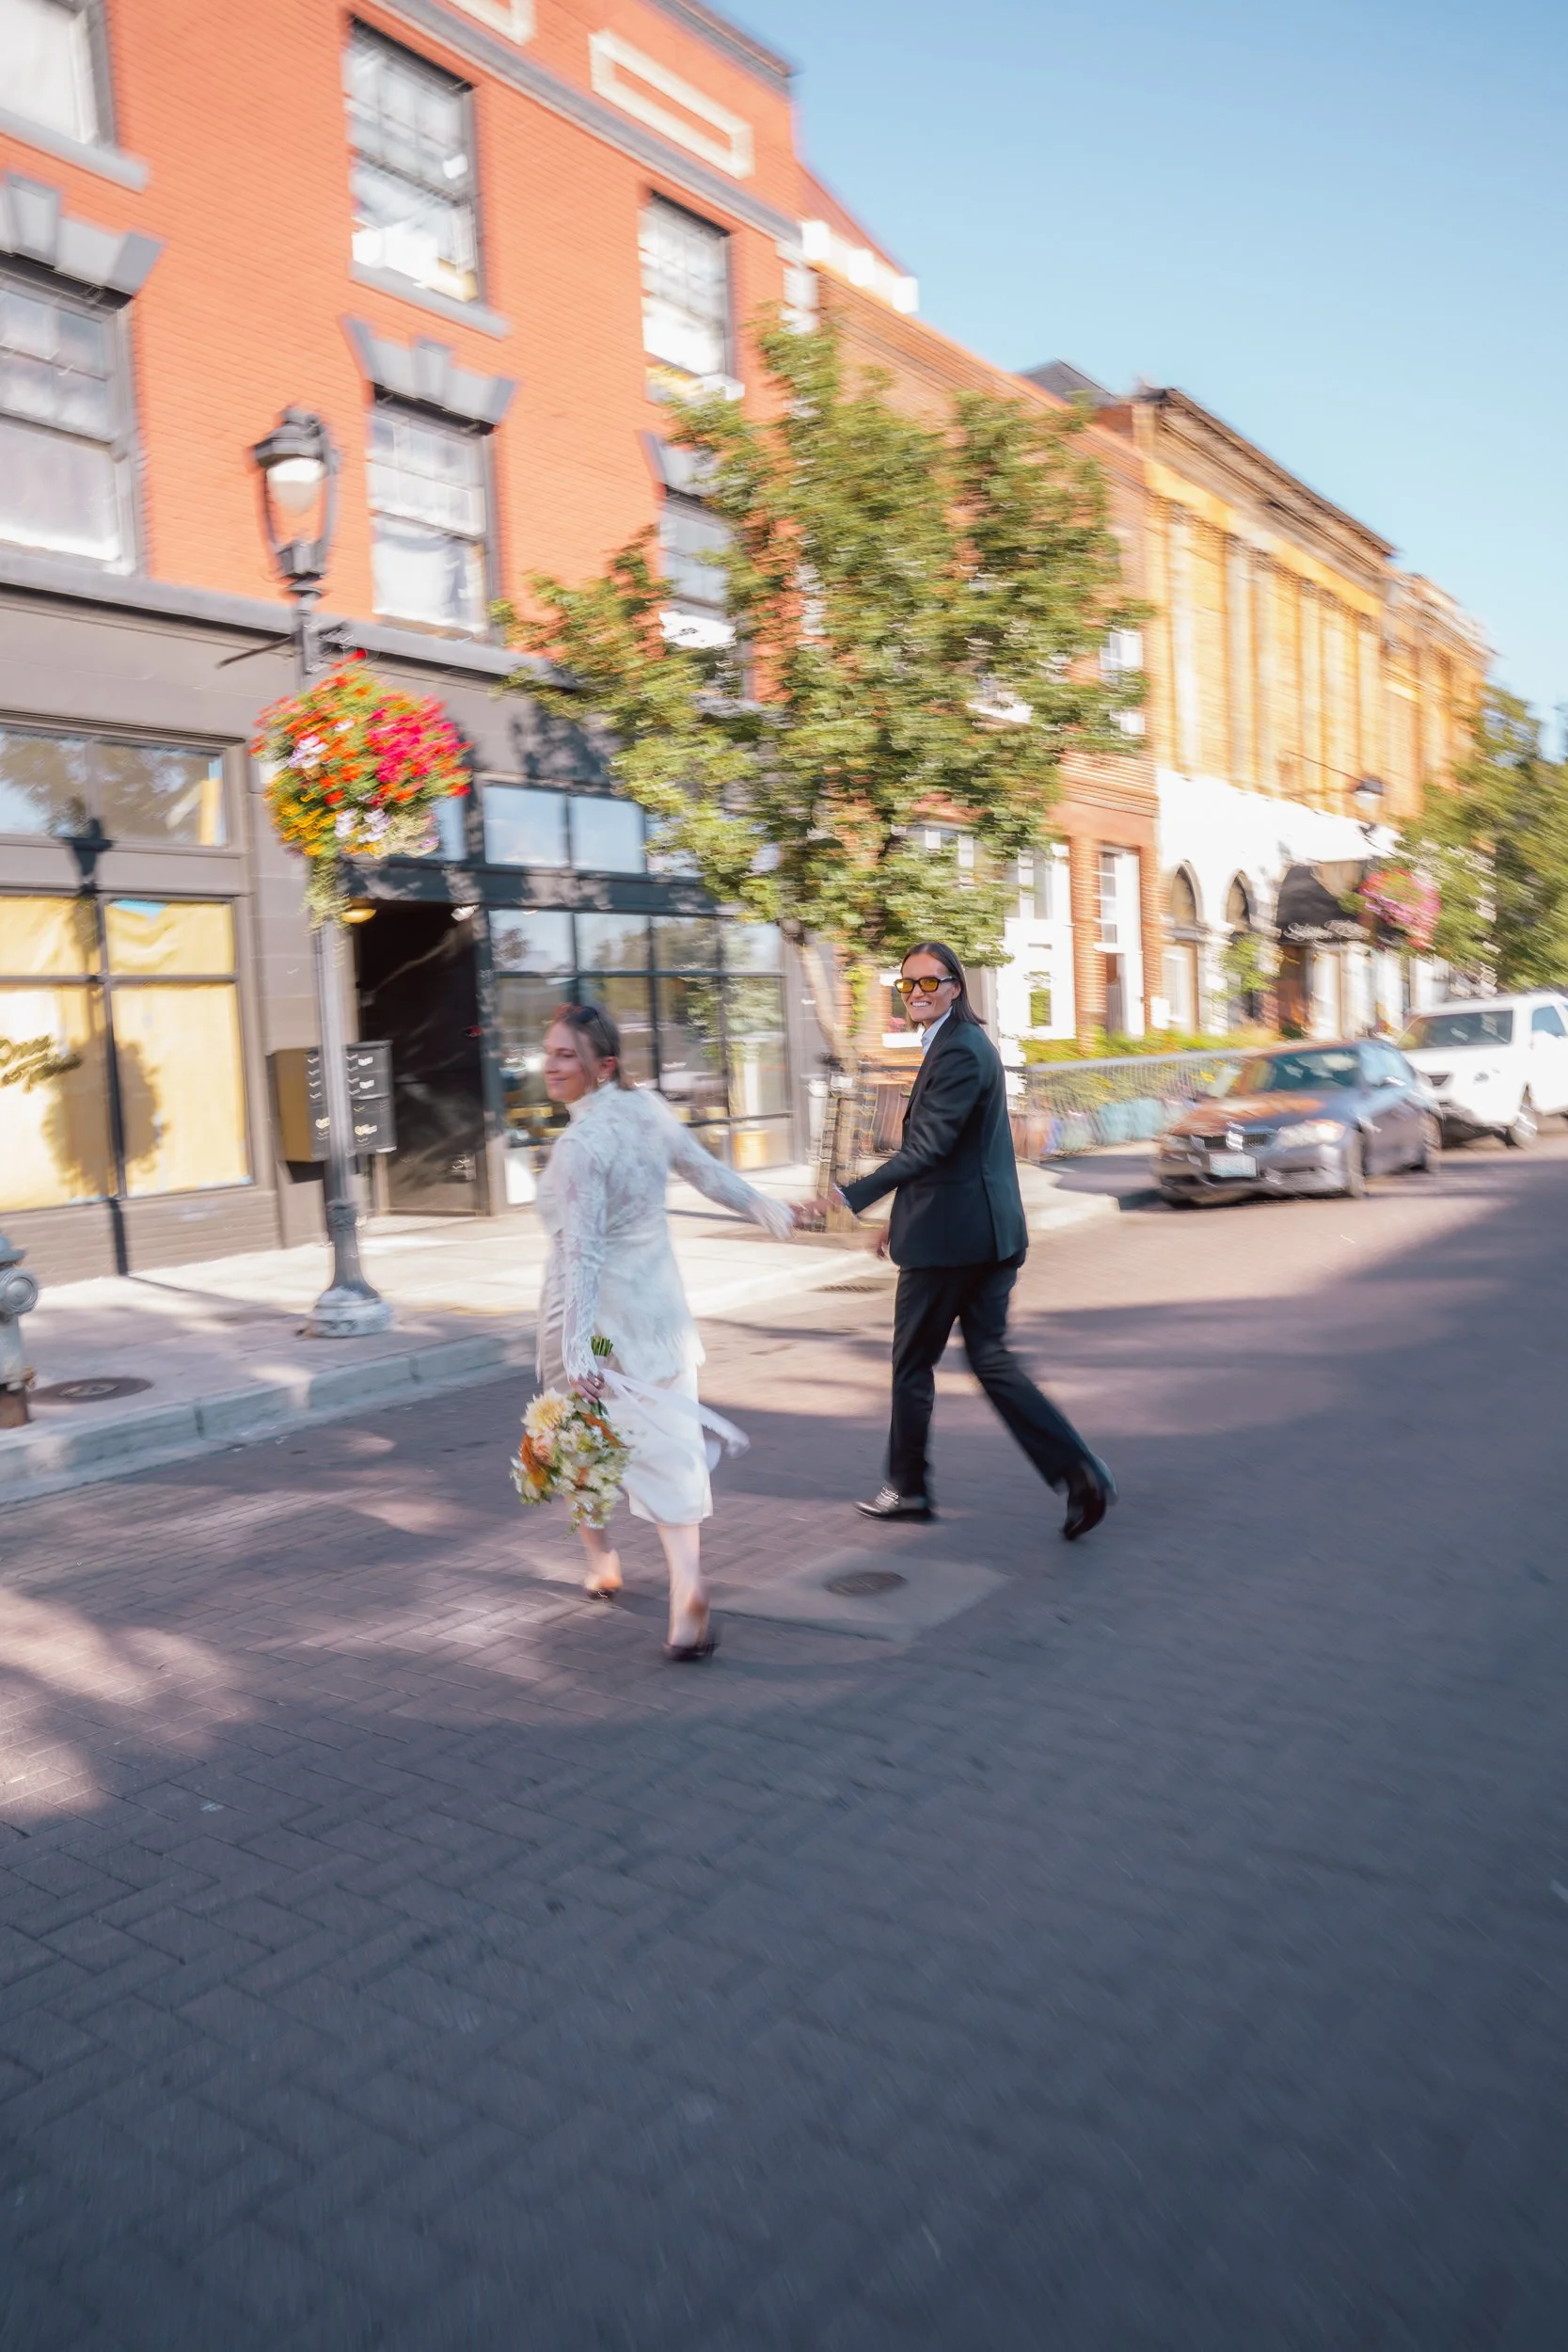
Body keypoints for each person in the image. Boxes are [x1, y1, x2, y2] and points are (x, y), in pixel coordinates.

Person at [802, 942, 1115, 1539]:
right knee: (990, 1359)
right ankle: (1080, 1474)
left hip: (953, 1243)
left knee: (914, 1363)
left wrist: (849, 1196)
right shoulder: (954, 1045)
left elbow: (928, 1149)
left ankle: (910, 1487)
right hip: (978, 1232)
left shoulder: (961, 1052)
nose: (917, 994)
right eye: (908, 985)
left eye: (929, 983)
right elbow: (952, 1153)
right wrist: (899, 1217)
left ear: (955, 987)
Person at [534, 1002, 796, 1660]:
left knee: (575, 1436)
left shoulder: (579, 1146)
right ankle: (685, 1590)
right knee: (669, 1447)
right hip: (661, 1314)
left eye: (568, 1055)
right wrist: (761, 1203)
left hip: (596, 1326)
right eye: (550, 1053)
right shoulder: (647, 1111)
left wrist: (576, 1350)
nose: (552, 1065)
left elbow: (583, 1255)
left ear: (604, 1066)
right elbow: (703, 1170)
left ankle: (601, 1562)